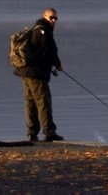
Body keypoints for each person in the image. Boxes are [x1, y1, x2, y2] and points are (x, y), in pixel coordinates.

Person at [15, 8, 64, 142]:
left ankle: (32, 133)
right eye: (51, 18)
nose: (53, 20)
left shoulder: (35, 29)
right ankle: (49, 132)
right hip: (35, 73)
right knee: (43, 102)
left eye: (55, 18)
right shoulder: (43, 31)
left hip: (25, 71)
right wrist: (58, 64)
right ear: (44, 17)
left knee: (30, 102)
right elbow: (50, 51)